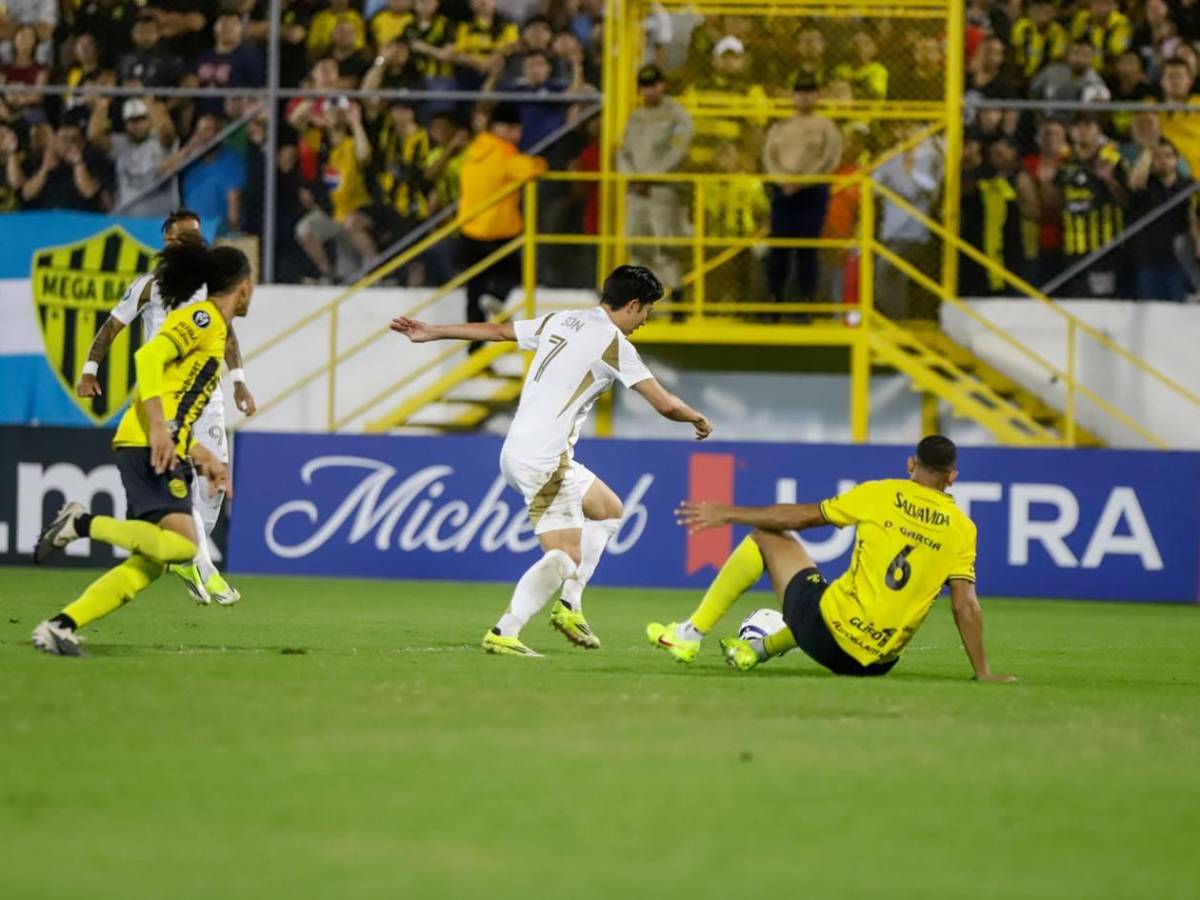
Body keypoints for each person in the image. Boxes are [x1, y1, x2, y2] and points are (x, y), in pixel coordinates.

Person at [390, 265, 713, 657]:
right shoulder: (614, 343)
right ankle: (505, 631)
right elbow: (664, 404)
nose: (645, 321)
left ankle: (570, 606)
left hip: (519, 450)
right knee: (563, 557)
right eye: (646, 311)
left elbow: (497, 332)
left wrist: (434, 332)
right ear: (632, 305)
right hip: (544, 458)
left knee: (608, 510)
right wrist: (696, 417)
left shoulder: (564, 319)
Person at [31, 241, 255, 656]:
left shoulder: (214, 327)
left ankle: (60, 625)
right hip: (147, 441)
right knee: (185, 547)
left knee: (151, 563)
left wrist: (200, 454)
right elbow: (148, 357)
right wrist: (158, 430)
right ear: (243, 287)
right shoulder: (204, 317)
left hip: (164, 443)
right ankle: (80, 523)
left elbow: (175, 396)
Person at [648, 436, 1015, 683]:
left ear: (910, 464)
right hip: (878, 665)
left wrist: (729, 513)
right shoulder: (963, 529)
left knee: (765, 538)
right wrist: (983, 673)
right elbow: (965, 607)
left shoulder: (881, 494)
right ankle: (757, 649)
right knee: (831, 594)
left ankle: (688, 635)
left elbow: (800, 517)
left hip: (826, 637)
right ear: (952, 477)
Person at [73, 209, 255, 605]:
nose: (195, 243)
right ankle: (203, 568)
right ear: (169, 243)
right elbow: (111, 329)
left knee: (214, 486)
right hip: (170, 397)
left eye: (198, 236)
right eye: (186, 237)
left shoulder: (212, 287)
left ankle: (190, 558)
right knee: (182, 482)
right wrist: (90, 369)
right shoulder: (151, 286)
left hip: (209, 395)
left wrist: (239, 382)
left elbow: (227, 335)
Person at [456, 103, 546, 347]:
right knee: (514, 273)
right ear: (502, 128)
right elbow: (530, 170)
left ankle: (475, 351)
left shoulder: (475, 149)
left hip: (468, 230)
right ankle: (495, 297)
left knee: (473, 293)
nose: (517, 134)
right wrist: (539, 162)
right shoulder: (505, 152)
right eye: (514, 128)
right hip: (497, 231)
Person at [762, 74, 842, 308]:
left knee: (807, 249)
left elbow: (830, 159)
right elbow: (769, 156)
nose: (804, 97)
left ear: (817, 95)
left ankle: (804, 303)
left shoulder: (827, 126)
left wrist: (804, 181)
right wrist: (782, 180)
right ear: (793, 95)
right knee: (779, 248)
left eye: (809, 92)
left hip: (813, 192)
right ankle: (774, 301)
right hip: (783, 192)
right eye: (799, 92)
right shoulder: (781, 126)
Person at [617, 64, 692, 303]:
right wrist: (632, 177)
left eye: (653, 85)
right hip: (637, 191)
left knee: (664, 246)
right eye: (644, 86)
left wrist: (651, 176)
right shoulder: (635, 116)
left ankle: (676, 300)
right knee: (636, 243)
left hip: (663, 191)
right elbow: (623, 152)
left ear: (663, 85)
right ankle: (641, 301)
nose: (649, 91)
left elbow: (678, 150)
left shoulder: (677, 115)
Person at [1047, 112, 1129, 297]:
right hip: (1071, 248)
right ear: (1071, 131)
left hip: (1105, 249)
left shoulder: (1113, 159)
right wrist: (1047, 182)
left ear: (1098, 130)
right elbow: (1055, 204)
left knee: (1103, 302)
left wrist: (1110, 181)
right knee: (1077, 303)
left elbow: (1127, 203)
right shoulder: (1063, 162)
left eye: (1088, 126)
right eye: (1078, 127)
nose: (1083, 131)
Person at [88, 96, 178, 217]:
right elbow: (95, 137)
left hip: (161, 220)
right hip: (128, 221)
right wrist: (102, 106)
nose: (136, 125)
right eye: (131, 120)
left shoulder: (160, 143)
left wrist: (149, 102)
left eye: (141, 119)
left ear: (150, 120)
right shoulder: (121, 144)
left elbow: (166, 131)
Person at [1128, 135, 1192, 301]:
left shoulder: (1188, 186)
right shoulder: (1146, 184)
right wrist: (1148, 151)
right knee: (1150, 311)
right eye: (1157, 156)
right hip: (1149, 262)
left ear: (1177, 160)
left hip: (1180, 262)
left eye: (1168, 156)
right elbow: (1134, 184)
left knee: (1180, 312)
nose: (1162, 160)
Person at [1157, 56, 1200, 178]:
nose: (1175, 81)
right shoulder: (1151, 109)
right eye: (1170, 76)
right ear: (1162, 81)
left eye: (1180, 76)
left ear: (1190, 81)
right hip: (1168, 180)